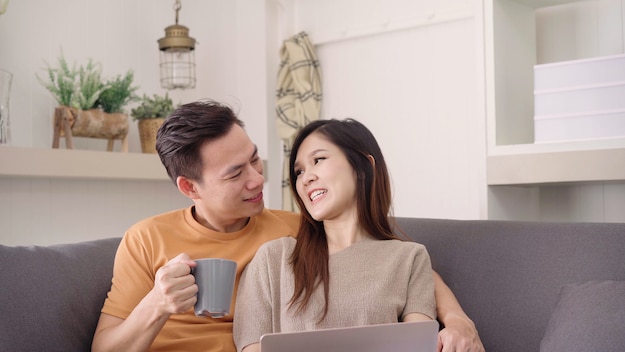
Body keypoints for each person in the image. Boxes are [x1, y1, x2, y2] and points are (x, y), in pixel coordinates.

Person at [91, 100, 485, 352]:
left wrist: (458, 319)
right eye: (235, 175)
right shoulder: (145, 239)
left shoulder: (294, 230)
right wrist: (157, 304)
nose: (257, 180)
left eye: (255, 160)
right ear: (190, 187)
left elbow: (393, 262)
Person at [233, 118, 435, 352]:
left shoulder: (411, 258)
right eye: (299, 171)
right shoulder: (273, 259)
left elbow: (419, 346)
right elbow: (251, 347)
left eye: (318, 160)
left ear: (363, 167)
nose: (306, 178)